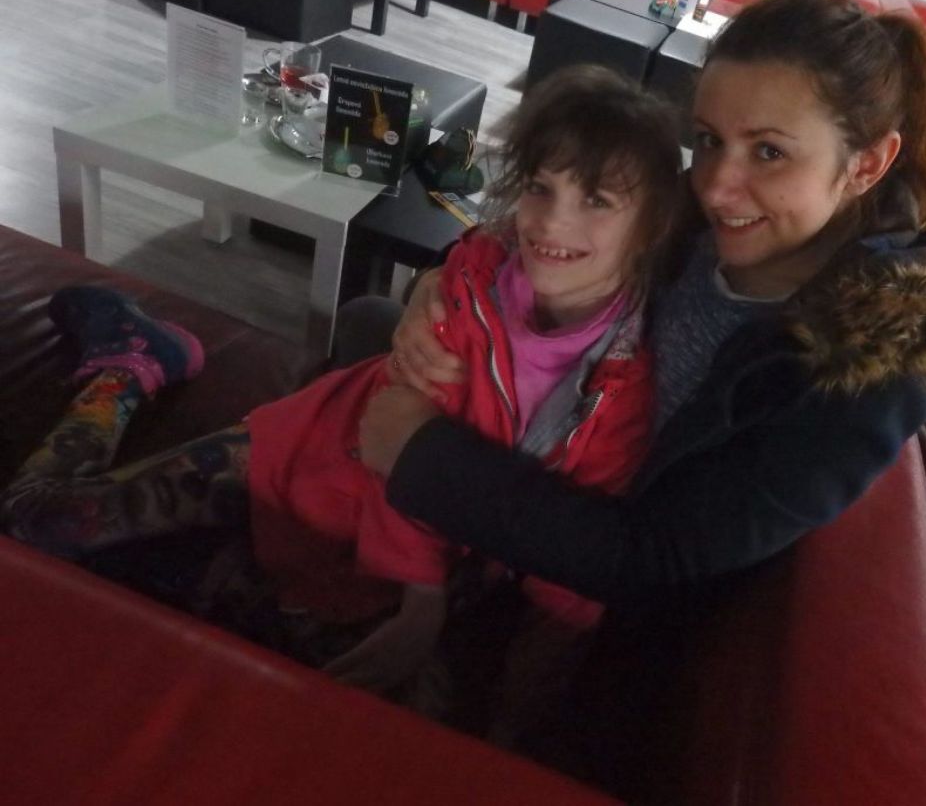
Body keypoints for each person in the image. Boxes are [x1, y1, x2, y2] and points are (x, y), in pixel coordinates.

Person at [0, 66, 684, 711]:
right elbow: (395, 445)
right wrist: (422, 596)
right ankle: (129, 363)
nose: (552, 223)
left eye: (596, 200)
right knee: (38, 521)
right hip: (308, 453)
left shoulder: (621, 387)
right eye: (540, 187)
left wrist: (521, 707)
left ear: (651, 226)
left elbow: (572, 566)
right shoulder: (471, 285)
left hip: (387, 550)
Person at [357, 0, 926, 608]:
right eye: (708, 140)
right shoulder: (694, 221)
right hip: (539, 429)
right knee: (368, 320)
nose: (719, 187)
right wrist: (434, 287)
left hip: (573, 570)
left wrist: (420, 452)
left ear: (866, 165)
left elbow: (650, 557)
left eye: (769, 152)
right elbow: (540, 236)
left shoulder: (856, 384)